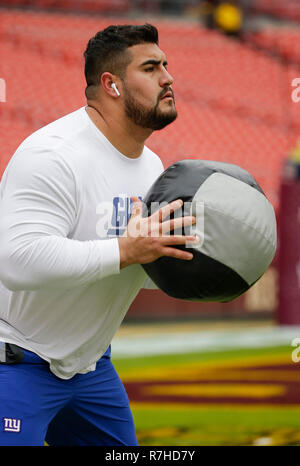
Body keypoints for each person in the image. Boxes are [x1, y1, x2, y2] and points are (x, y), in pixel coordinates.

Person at [0, 24, 198, 446]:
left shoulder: (152, 167)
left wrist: (203, 265)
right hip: (12, 363)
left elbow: (137, 262)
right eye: (150, 68)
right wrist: (126, 249)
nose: (168, 77)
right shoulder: (52, 155)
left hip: (90, 369)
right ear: (111, 84)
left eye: (166, 64)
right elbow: (17, 261)